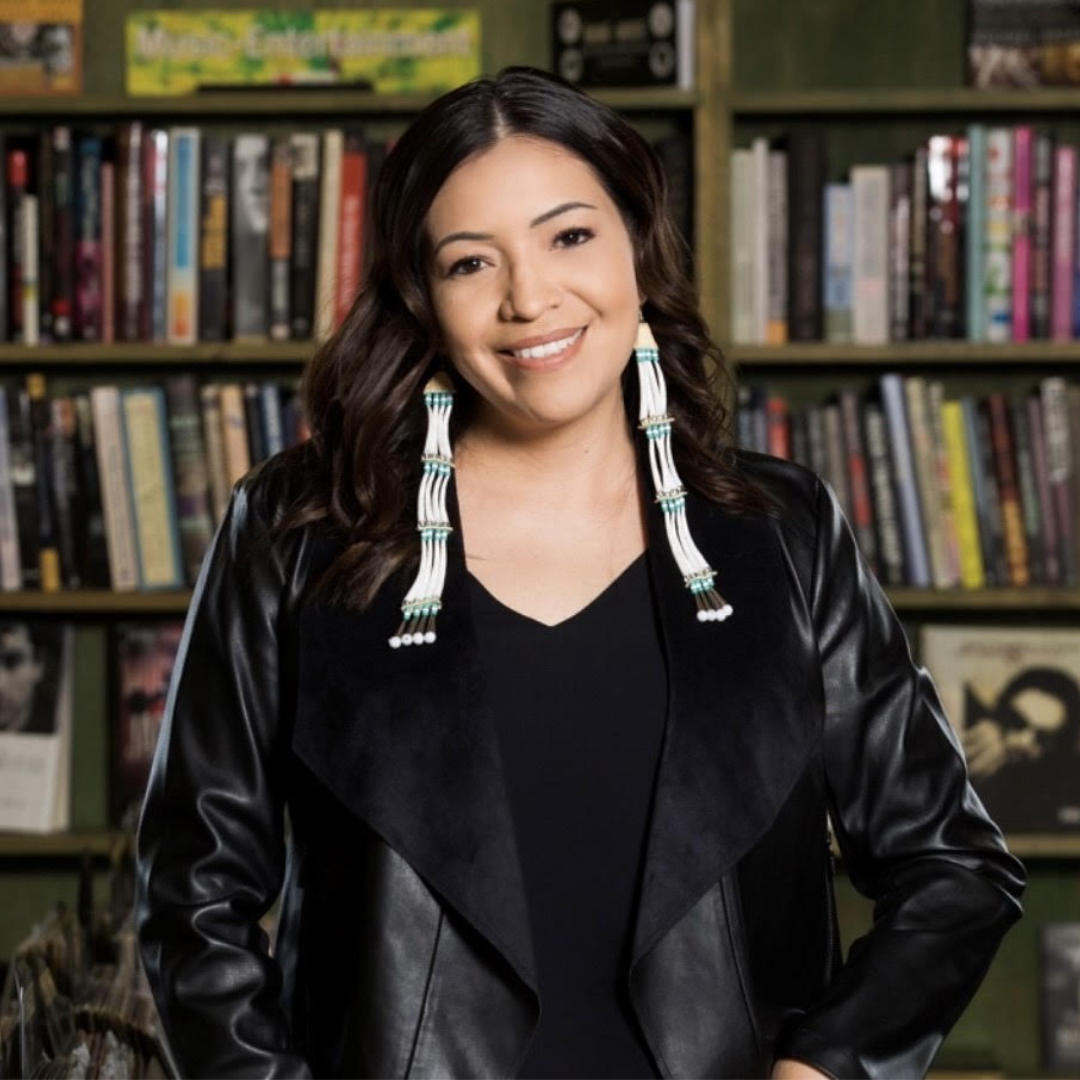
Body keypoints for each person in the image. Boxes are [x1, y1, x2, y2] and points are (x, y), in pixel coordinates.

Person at [135, 65, 1026, 1079]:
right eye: (472, 263)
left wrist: (828, 1067)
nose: (530, 298)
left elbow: (954, 865)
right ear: (422, 295)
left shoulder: (782, 533)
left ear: (638, 245)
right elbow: (189, 899)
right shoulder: (297, 535)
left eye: (569, 236)